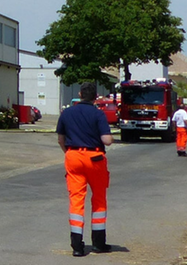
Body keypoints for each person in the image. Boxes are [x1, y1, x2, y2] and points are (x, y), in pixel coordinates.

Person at [58, 82, 113, 257]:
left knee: (76, 200)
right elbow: (107, 140)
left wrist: (70, 152)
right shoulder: (98, 114)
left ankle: (77, 246)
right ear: (95, 97)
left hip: (73, 156)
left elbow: (61, 139)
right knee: (98, 199)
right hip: (95, 158)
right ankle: (98, 243)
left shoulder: (66, 113)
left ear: (80, 94)